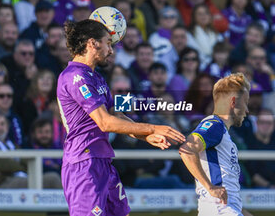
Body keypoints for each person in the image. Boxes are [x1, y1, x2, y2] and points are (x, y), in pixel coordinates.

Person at [57, 19, 185, 216]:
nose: (111, 50)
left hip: (103, 161)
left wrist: (144, 136)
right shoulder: (74, 76)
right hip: (83, 164)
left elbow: (117, 115)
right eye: (108, 43)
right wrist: (151, 128)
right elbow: (105, 122)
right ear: (92, 43)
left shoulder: (96, 76)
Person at [179, 72, 252, 216]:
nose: (247, 110)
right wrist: (210, 187)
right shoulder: (214, 125)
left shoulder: (222, 132)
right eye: (246, 103)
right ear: (233, 102)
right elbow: (187, 149)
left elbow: (227, 189)